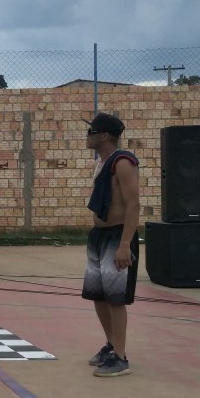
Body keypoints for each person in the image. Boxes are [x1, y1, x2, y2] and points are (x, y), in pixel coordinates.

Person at [82, 112, 140, 378]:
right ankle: (111, 344)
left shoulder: (123, 162)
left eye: (91, 132)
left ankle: (121, 357)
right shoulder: (102, 163)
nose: (87, 136)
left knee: (115, 299)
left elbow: (133, 205)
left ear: (105, 136)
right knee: (98, 295)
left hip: (117, 236)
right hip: (99, 235)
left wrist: (125, 244)